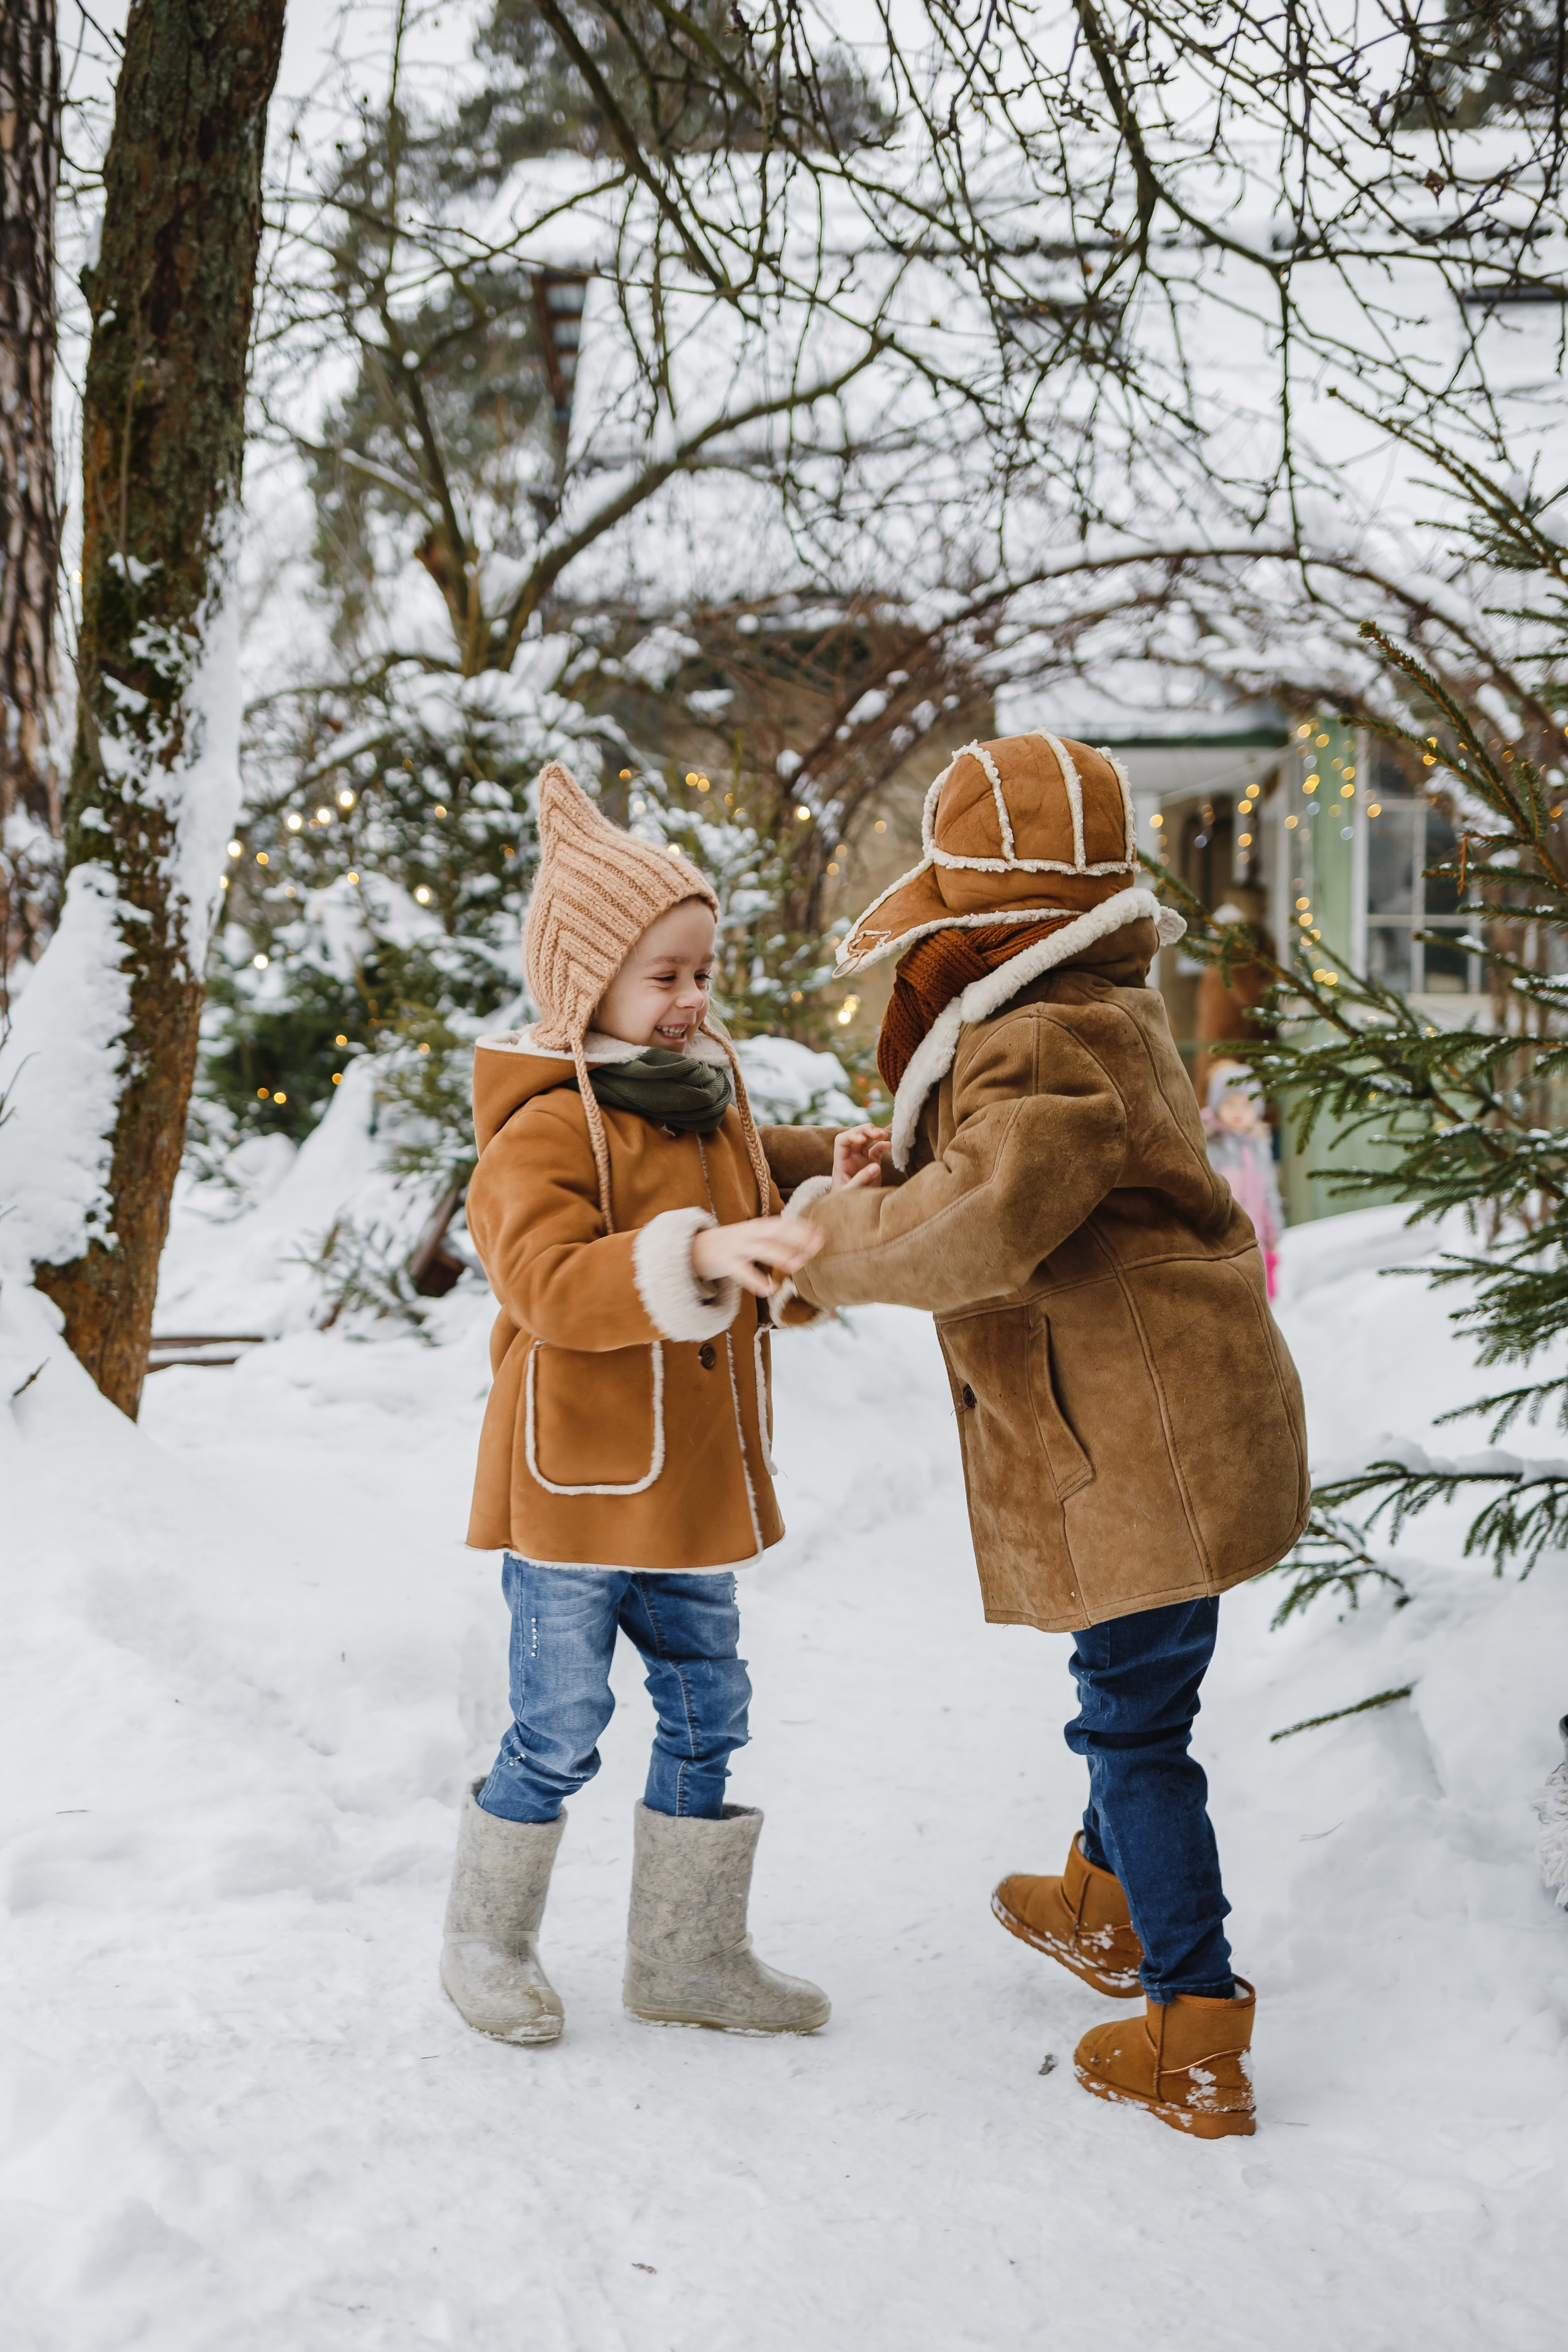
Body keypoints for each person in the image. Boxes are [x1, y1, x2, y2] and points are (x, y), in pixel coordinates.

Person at [783, 731, 1310, 2139]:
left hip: (1143, 1445)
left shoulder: (1040, 1034)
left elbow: (982, 1213)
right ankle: (1099, 1898)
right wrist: (861, 1171)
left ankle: (1193, 2027)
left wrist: (823, 1245)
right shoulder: (1091, 1004)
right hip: (1172, 1428)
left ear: (985, 918)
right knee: (1128, 1691)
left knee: (1133, 1726)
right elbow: (984, 1164)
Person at [440, 762, 872, 2046]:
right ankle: (485, 1940)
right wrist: (696, 1252)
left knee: (706, 1709)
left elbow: (760, 1179)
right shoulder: (539, 1130)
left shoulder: (704, 1105)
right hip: (575, 1493)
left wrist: (832, 1169)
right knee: (558, 1725)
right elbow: (547, 1282)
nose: (691, 998)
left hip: (685, 1491)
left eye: (702, 971)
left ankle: (688, 1955)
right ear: (588, 986)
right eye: (662, 975)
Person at [1203, 1060, 1284, 1299]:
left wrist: (1273, 1234)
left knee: (1256, 1298)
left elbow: (1269, 1193)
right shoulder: (1210, 1144)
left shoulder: (1259, 1146)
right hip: (1220, 1240)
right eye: (1230, 1104)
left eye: (1246, 1104)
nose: (1238, 1112)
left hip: (1255, 1239)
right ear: (1217, 1106)